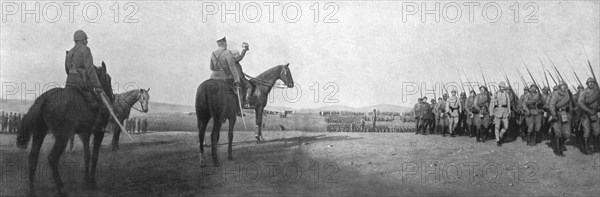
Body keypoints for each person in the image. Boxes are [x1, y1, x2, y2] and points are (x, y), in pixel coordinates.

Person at [549, 81, 573, 157]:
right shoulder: (556, 94)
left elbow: (570, 104)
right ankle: (558, 150)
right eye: (562, 86)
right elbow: (551, 105)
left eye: (565, 85)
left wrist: (570, 112)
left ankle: (560, 144)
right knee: (558, 133)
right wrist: (554, 115)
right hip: (557, 114)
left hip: (565, 114)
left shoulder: (567, 94)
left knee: (567, 134)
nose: (564, 87)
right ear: (559, 87)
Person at [578, 78, 600, 155]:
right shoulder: (583, 92)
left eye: (592, 82)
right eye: (589, 82)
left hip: (594, 113)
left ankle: (595, 146)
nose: (591, 83)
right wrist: (588, 110)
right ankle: (586, 148)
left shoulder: (597, 92)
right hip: (586, 114)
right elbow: (580, 103)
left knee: (597, 131)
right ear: (587, 84)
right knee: (586, 131)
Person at [490, 82, 512, 146]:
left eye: (504, 87)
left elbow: (508, 104)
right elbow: (491, 104)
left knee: (506, 126)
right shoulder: (495, 94)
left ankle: (500, 135)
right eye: (501, 87)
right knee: (497, 127)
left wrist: (509, 112)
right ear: (499, 87)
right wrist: (491, 113)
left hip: (505, 112)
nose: (503, 88)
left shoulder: (506, 94)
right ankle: (498, 140)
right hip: (497, 111)